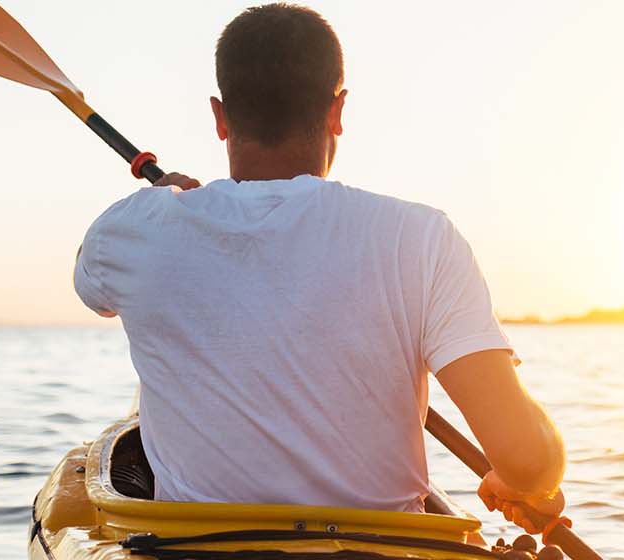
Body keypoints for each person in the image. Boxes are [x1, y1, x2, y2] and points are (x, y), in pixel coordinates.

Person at [71, 3, 568, 535]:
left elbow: (89, 282)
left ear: (219, 117)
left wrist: (168, 201)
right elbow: (527, 460)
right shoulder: (424, 239)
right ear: (338, 110)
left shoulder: (134, 230)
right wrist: (526, 480)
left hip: (194, 545)